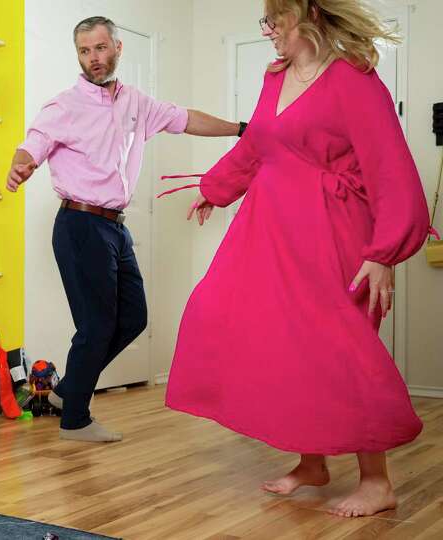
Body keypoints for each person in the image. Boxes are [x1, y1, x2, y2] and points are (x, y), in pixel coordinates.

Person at [164, 0, 431, 518]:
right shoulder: (276, 76)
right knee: (258, 330)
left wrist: (384, 253)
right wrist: (215, 189)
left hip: (334, 233)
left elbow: (390, 165)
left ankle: (377, 481)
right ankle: (313, 463)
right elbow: (259, 146)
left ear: (305, 12)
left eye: (274, 20)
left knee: (338, 348)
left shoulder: (353, 78)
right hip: (271, 231)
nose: (268, 32)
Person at [7, 16, 242, 442]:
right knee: (96, 325)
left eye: (99, 48)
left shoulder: (136, 102)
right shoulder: (64, 105)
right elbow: (33, 143)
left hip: (115, 226)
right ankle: (74, 419)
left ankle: (69, 390)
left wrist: (240, 129)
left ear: (117, 47)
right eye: (84, 51)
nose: (93, 59)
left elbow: (185, 118)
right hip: (79, 223)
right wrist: (20, 164)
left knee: (133, 318)